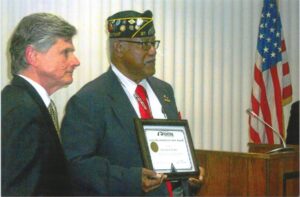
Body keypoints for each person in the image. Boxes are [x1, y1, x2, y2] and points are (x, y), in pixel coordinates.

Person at [61, 10, 204, 196]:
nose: (153, 50)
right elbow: (76, 164)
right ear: (119, 47)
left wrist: (190, 176)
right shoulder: (89, 100)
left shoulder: (164, 91)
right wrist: (130, 179)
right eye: (144, 44)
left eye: (153, 43)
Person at [1, 13, 80, 196]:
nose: (75, 61)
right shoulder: (22, 112)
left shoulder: (24, 102)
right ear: (33, 56)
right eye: (65, 52)